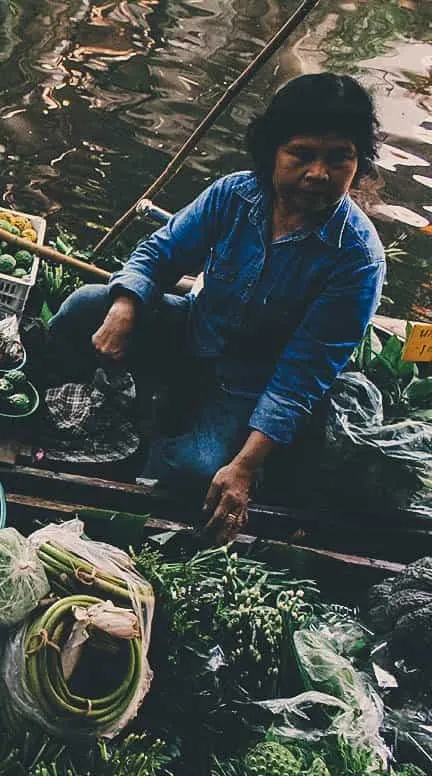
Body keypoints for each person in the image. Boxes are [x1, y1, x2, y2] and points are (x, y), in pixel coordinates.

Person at [48, 72, 386, 543]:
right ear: (273, 151)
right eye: (302, 154)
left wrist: (245, 467)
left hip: (250, 384)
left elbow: (300, 379)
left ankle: (169, 423)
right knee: (86, 305)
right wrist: (125, 307)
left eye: (338, 158)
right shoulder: (236, 195)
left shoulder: (356, 258)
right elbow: (158, 254)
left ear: (358, 162)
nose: (318, 174)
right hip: (194, 329)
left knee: (192, 474)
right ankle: (122, 401)